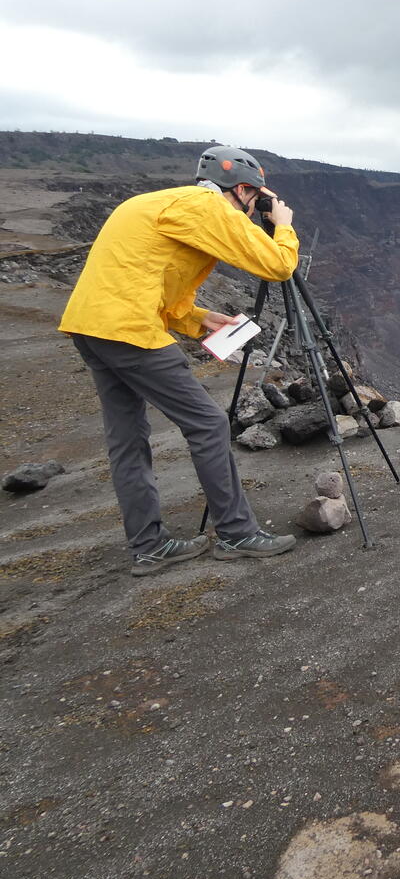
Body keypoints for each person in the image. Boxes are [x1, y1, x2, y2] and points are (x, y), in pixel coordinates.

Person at [59, 146, 302, 576]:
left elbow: (150, 275)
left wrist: (198, 318)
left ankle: (149, 547)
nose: (254, 208)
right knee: (208, 424)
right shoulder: (209, 207)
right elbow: (278, 266)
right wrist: (281, 226)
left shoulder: (159, 202)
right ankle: (237, 533)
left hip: (89, 327)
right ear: (242, 189)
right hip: (130, 332)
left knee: (127, 439)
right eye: (255, 199)